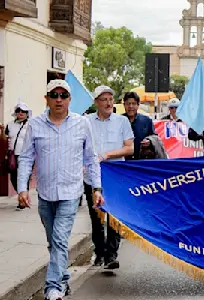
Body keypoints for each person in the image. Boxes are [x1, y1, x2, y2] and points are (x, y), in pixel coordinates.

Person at [17, 80, 103, 300]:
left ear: (69, 100)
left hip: (71, 193)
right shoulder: (34, 125)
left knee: (59, 239)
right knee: (53, 241)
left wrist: (97, 187)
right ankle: (63, 279)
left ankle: (52, 288)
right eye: (53, 95)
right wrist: (22, 188)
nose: (58, 99)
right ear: (46, 98)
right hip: (45, 193)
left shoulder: (82, 124)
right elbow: (26, 158)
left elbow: (91, 159)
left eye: (63, 95)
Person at [85, 86, 134, 269]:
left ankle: (111, 255)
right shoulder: (86, 121)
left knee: (114, 214)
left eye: (110, 99)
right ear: (96, 102)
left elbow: (129, 148)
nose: (108, 103)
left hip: (115, 175)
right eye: (104, 99)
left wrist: (107, 155)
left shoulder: (121, 122)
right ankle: (99, 251)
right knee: (96, 216)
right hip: (92, 175)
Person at [0, 103, 31, 209]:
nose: (20, 113)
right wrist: (2, 131)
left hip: (26, 155)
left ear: (27, 113)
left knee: (24, 176)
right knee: (13, 178)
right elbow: (5, 139)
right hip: (13, 155)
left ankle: (22, 201)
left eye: (23, 111)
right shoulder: (10, 125)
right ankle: (22, 194)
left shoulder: (31, 125)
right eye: (18, 111)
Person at [122, 92, 155, 160]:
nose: (130, 106)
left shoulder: (147, 121)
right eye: (128, 103)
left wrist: (149, 141)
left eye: (133, 103)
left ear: (138, 105)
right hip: (123, 162)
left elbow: (154, 137)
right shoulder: (118, 121)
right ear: (124, 105)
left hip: (142, 162)